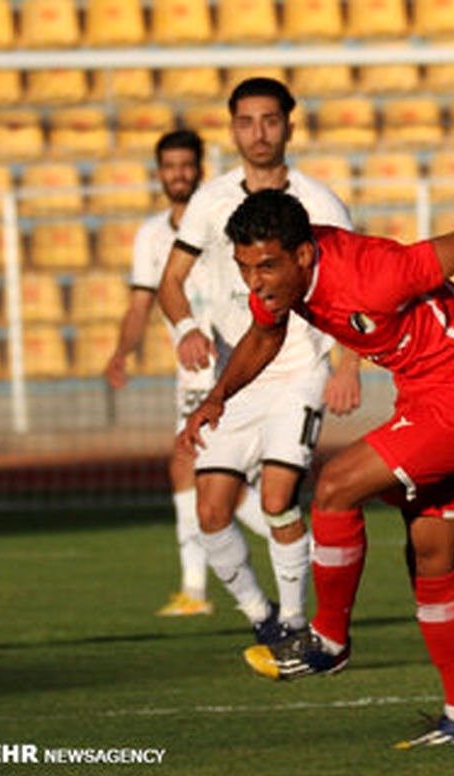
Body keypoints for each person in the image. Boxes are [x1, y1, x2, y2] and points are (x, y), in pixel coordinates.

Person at [180, 189, 454, 747]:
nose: (255, 283)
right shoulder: (280, 280)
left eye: (266, 266)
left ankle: (329, 642)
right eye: (245, 268)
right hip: (424, 399)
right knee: (433, 557)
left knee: (335, 486)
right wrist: (219, 395)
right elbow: (265, 335)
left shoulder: (373, 274)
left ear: (304, 256)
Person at [157, 78, 357, 643]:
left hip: (300, 368)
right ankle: (262, 618)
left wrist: (346, 366)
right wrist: (188, 328)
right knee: (211, 511)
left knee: (276, 497)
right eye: (246, 121)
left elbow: (348, 287)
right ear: (232, 128)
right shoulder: (210, 200)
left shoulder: (320, 203)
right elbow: (169, 282)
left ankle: (297, 624)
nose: (259, 132)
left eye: (270, 120)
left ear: (290, 125)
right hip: (236, 374)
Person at [103, 129, 272, 617]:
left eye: (185, 164)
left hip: (231, 362)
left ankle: (207, 586)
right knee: (208, 479)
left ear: (200, 166)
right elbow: (143, 299)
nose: (178, 174)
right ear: (159, 172)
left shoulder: (221, 220)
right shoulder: (152, 235)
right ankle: (201, 587)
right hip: (190, 370)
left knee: (204, 473)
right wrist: (122, 352)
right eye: (169, 166)